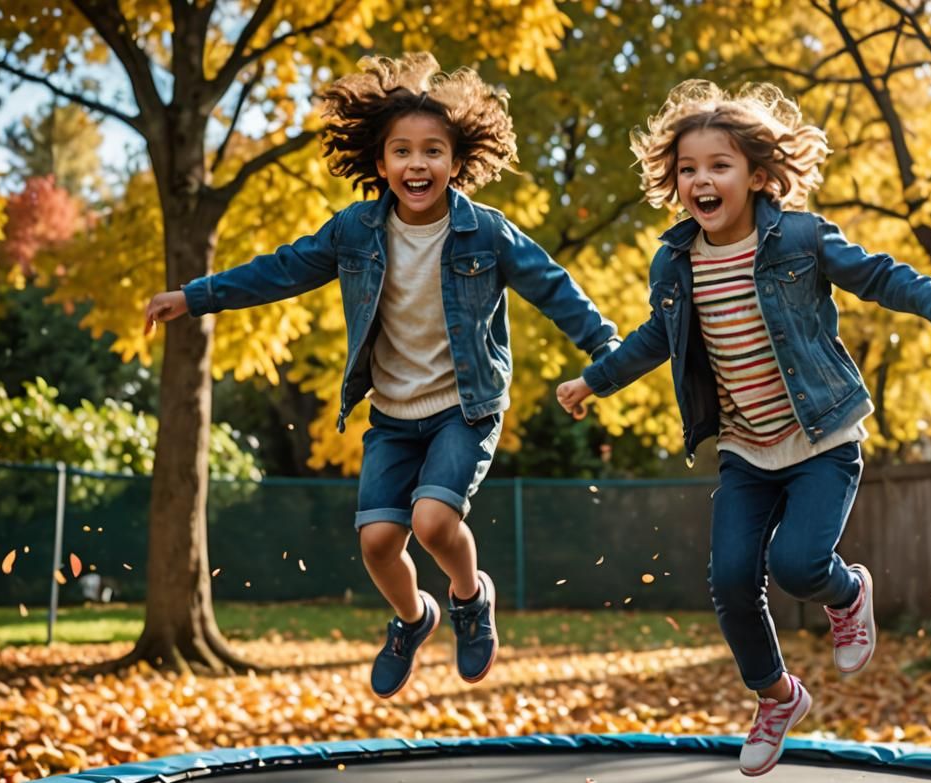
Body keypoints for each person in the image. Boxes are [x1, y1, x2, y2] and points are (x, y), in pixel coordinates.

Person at [145, 53, 619, 699]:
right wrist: (195, 296)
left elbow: (553, 285)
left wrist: (605, 348)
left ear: (455, 162)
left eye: (432, 152)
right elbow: (279, 270)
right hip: (394, 414)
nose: (416, 165)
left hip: (464, 406)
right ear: (380, 163)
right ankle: (412, 618)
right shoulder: (355, 231)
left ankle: (469, 598)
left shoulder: (486, 233)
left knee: (431, 524)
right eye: (402, 152)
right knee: (376, 543)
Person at [556, 80, 931, 776]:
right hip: (746, 451)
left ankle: (848, 593)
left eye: (719, 165)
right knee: (729, 579)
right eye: (688, 169)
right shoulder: (676, 262)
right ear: (674, 181)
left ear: (755, 174)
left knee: (799, 565)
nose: (702, 180)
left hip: (821, 441)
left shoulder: (801, 238)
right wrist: (594, 379)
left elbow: (875, 273)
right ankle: (777, 696)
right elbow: (656, 336)